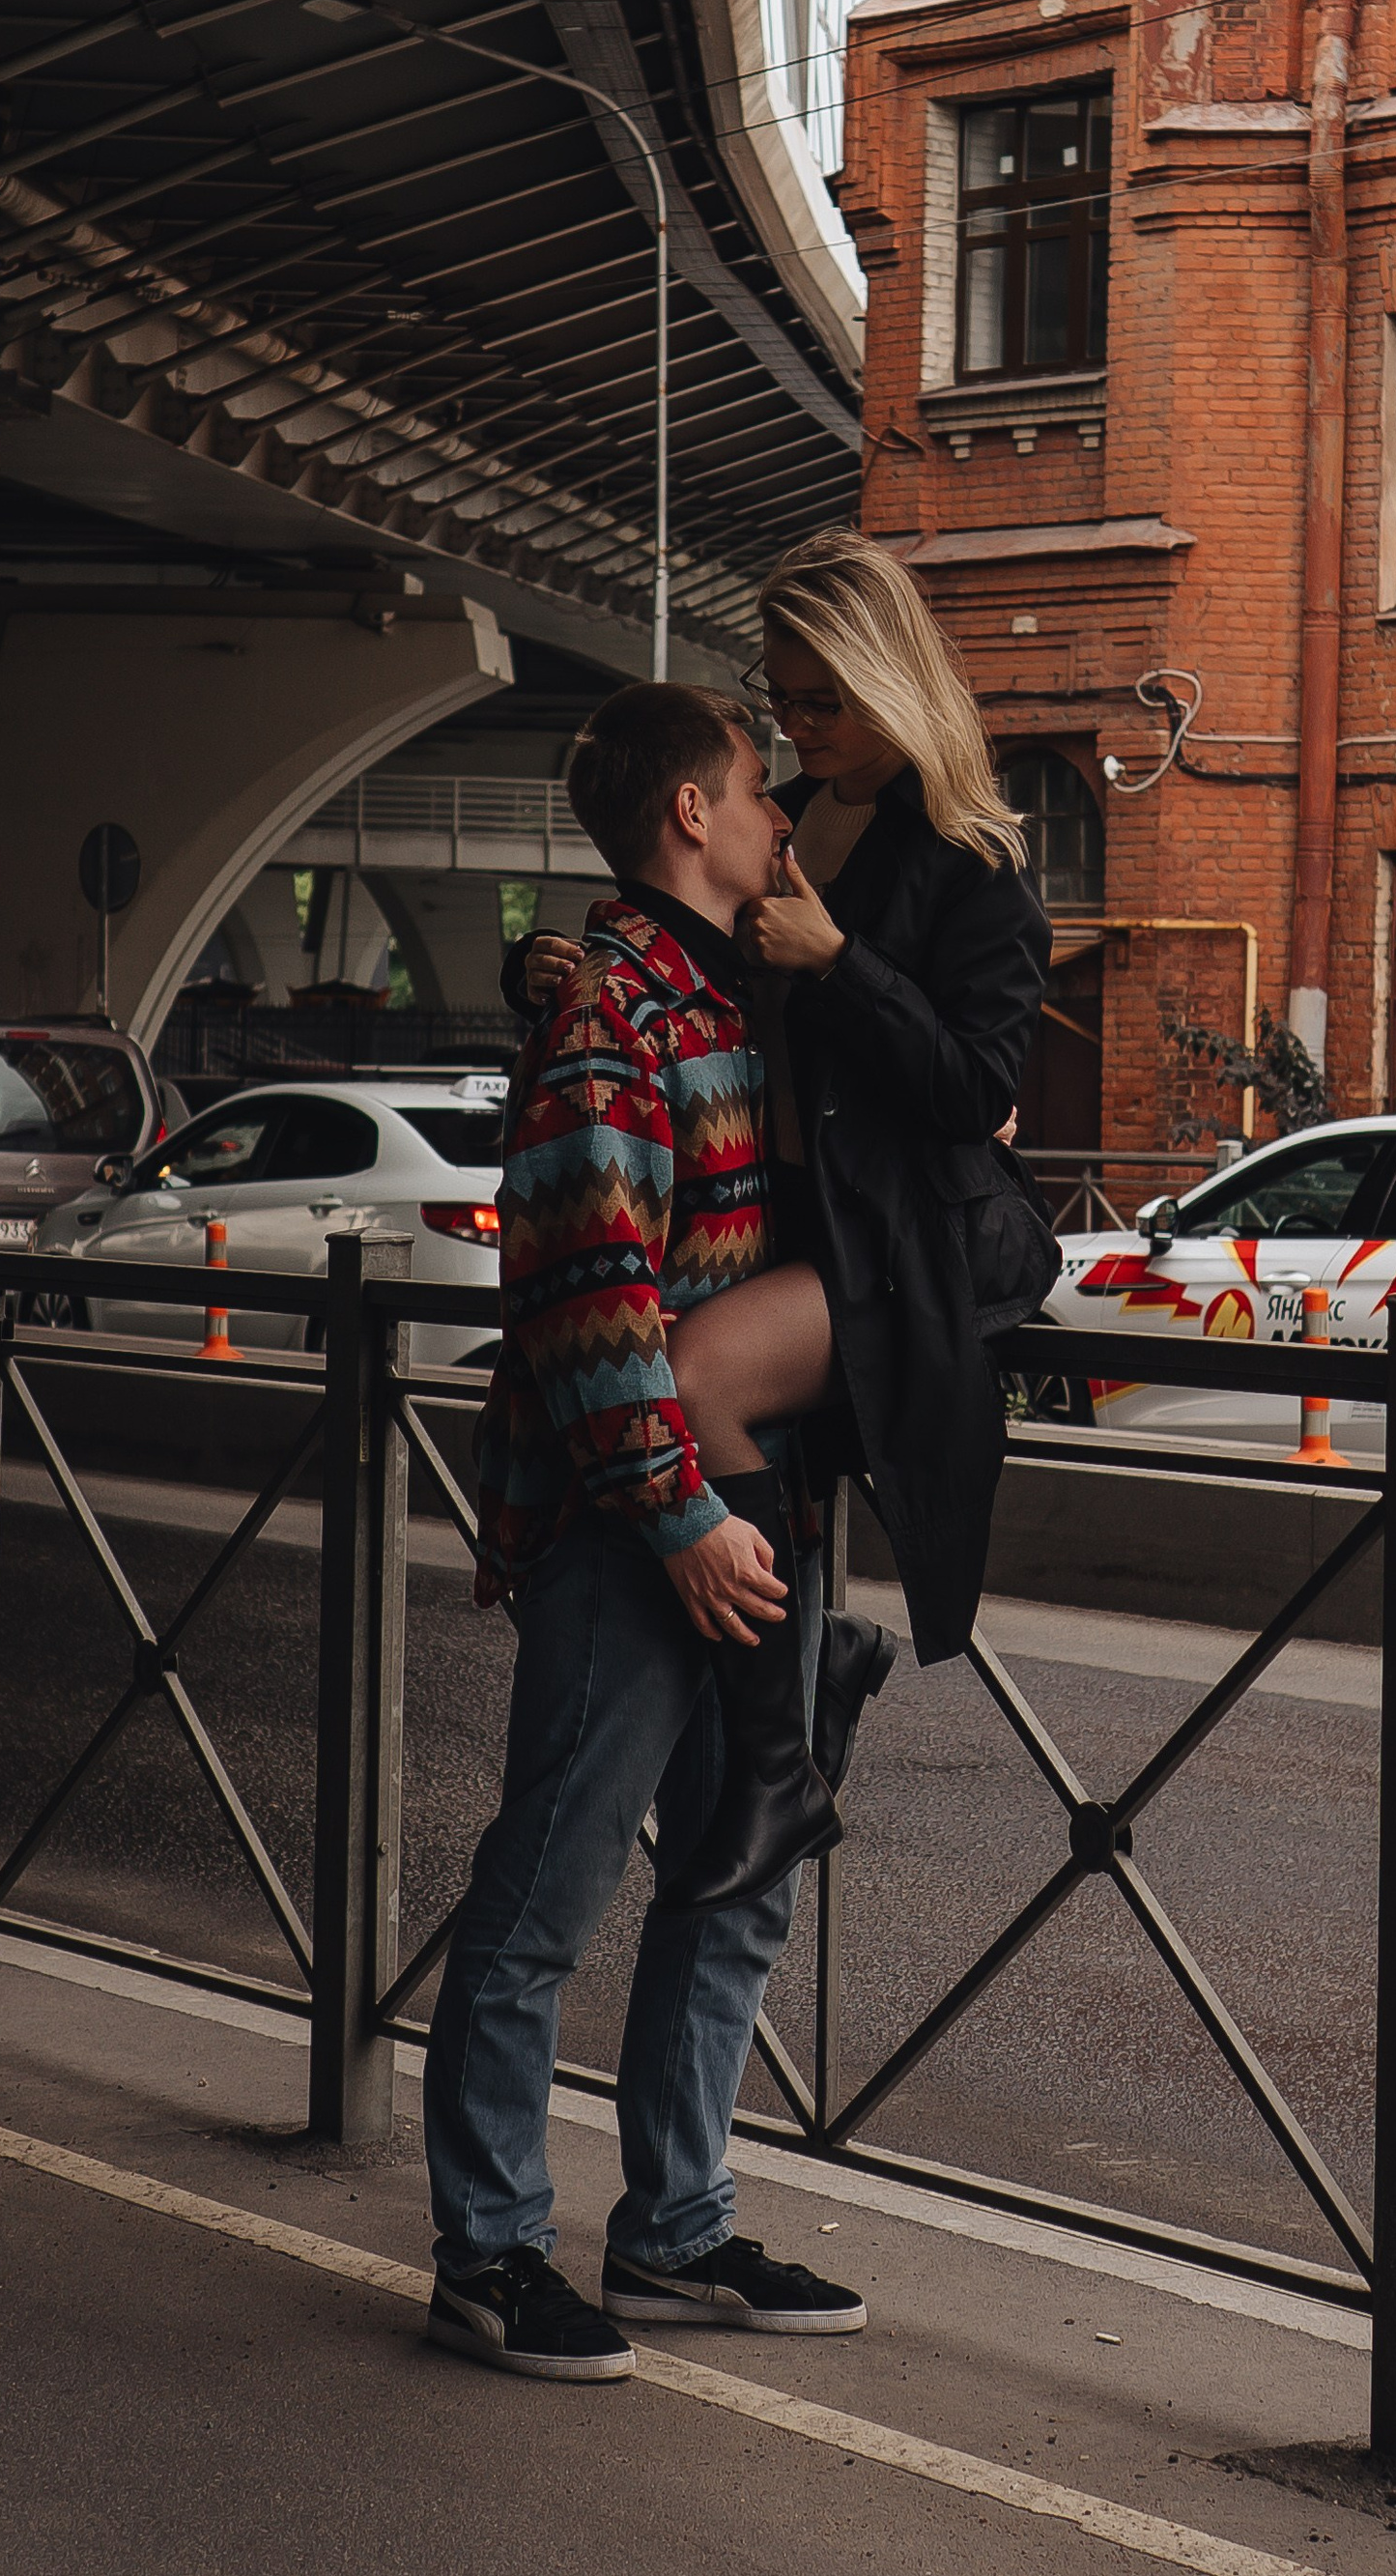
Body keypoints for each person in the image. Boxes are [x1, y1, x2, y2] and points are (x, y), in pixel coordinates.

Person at [422, 678, 867, 2384]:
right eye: (758, 789)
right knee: (548, 1887)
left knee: (731, 1880)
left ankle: (675, 2228)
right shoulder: (614, 1012)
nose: (778, 818)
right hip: (640, 1528)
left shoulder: (716, 995)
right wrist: (683, 1518)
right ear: (692, 812)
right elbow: (588, 1301)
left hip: (736, 1506)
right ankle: (490, 2249)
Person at [519, 529, 1055, 1921]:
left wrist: (847, 964)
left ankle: (779, 1760)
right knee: (690, 1373)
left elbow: (978, 1091)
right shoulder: (799, 814)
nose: (799, 732)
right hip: (793, 1222)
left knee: (693, 1374)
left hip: (915, 1243)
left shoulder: (974, 856)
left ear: (891, 681)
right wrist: (582, 964)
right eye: (783, 704)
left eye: (821, 701)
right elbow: (697, 961)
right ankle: (808, 1687)